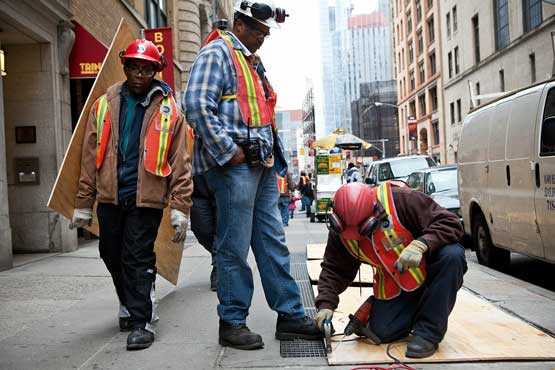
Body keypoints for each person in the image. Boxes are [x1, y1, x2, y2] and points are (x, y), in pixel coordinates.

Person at [184, 0, 321, 350]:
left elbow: (261, 114)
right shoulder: (218, 53)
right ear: (240, 24)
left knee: (272, 242)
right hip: (234, 170)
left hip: (259, 169)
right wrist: (229, 152)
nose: (262, 38)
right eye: (258, 31)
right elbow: (196, 104)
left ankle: (290, 315)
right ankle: (231, 322)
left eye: (265, 33)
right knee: (232, 247)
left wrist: (277, 161)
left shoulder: (251, 63)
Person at [71, 39, 192, 351]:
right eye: (135, 67)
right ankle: (130, 300)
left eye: (147, 68)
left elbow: (181, 161)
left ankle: (142, 322)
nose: (140, 73)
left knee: (137, 257)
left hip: (146, 199)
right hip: (111, 197)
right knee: (111, 254)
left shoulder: (168, 109)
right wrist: (83, 203)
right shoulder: (104, 104)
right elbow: (89, 156)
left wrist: (180, 207)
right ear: (124, 67)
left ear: (155, 71)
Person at [315, 182, 466, 358]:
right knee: (382, 332)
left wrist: (422, 244)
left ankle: (428, 333)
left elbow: (451, 223)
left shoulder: (403, 200)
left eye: (363, 229)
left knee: (452, 255)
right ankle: (377, 307)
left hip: (433, 272)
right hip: (394, 284)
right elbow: (334, 269)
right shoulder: (340, 229)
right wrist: (326, 303)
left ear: (374, 212)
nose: (356, 236)